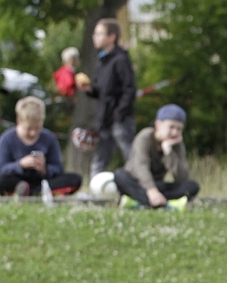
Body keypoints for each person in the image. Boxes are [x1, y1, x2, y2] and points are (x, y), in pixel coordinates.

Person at [79, 18, 136, 177]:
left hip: (119, 118)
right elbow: (102, 91)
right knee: (100, 155)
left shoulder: (120, 60)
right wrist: (90, 89)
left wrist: (119, 113)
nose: (95, 37)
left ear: (111, 37)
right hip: (104, 118)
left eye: (99, 34)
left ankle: (140, 183)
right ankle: (96, 184)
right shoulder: (102, 61)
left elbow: (129, 89)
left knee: (130, 153)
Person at [114, 104, 199, 210]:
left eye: (179, 129)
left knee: (192, 186)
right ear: (158, 124)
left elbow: (182, 177)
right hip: (138, 183)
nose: (175, 132)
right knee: (120, 175)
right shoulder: (145, 137)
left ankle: (141, 203)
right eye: (171, 127)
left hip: (158, 185)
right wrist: (152, 190)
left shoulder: (177, 144)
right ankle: (165, 204)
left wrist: (168, 151)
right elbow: (141, 166)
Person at [0, 96, 82, 197]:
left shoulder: (49, 138)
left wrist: (44, 169)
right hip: (16, 180)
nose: (33, 133)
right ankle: (26, 190)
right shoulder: (7, 139)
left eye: (37, 128)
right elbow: (2, 168)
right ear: (19, 121)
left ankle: (35, 192)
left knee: (75, 179)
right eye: (29, 128)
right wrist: (21, 164)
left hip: (43, 181)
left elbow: (58, 168)